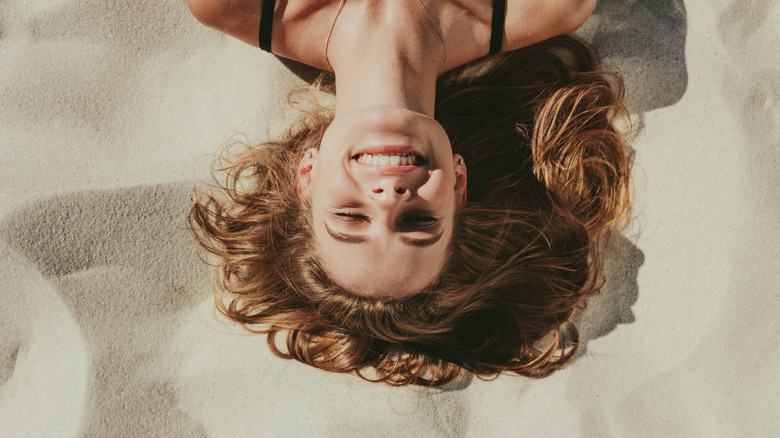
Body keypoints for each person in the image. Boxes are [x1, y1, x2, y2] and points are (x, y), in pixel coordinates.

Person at [187, 0, 631, 386]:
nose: (388, 198)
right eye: (418, 223)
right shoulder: (545, 7)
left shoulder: (240, 5)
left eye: (350, 217)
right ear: (458, 183)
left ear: (307, 175)